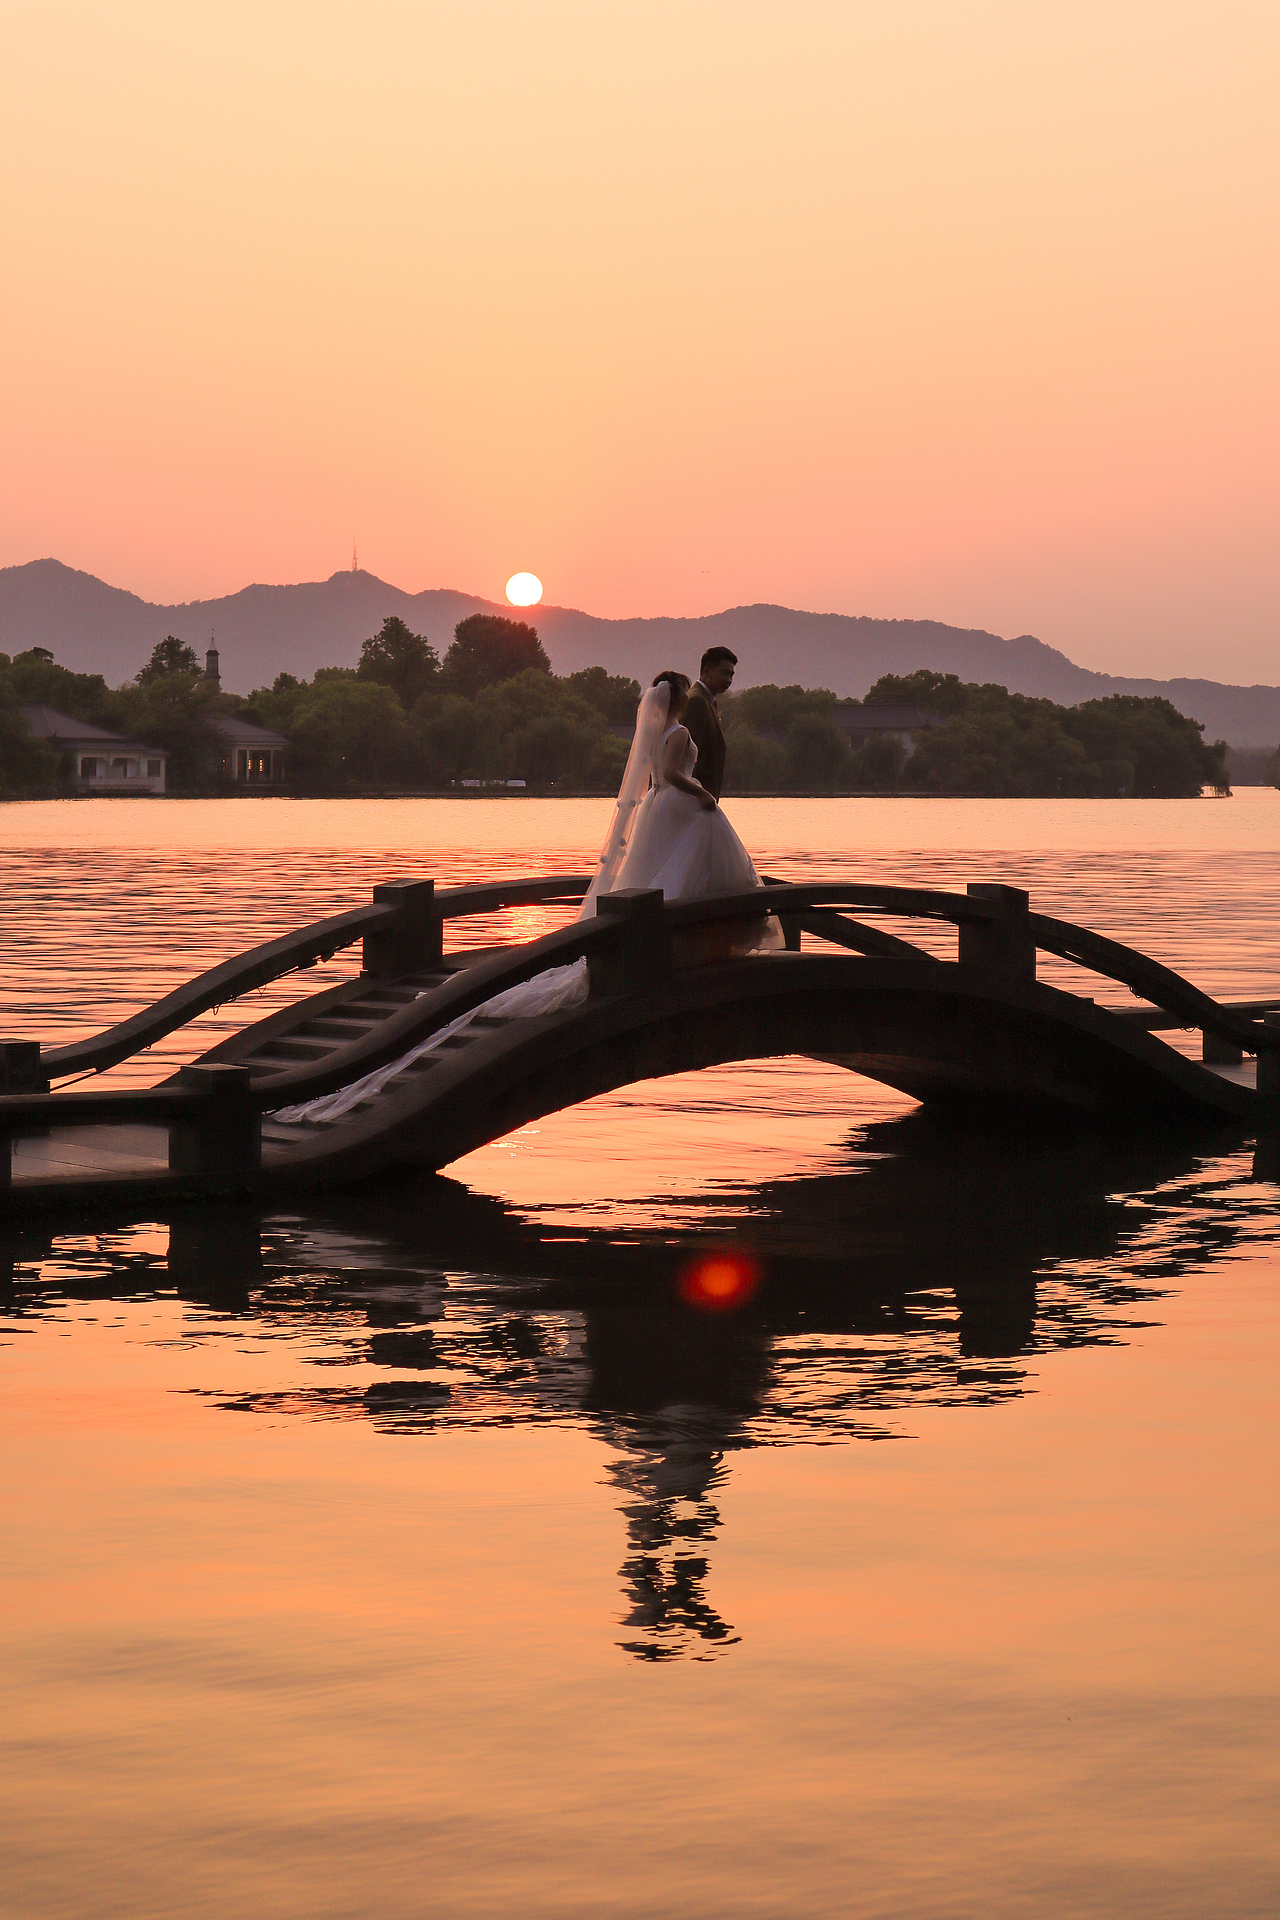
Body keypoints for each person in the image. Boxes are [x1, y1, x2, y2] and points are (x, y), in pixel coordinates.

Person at [681, 646, 737, 801]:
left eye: (732, 675)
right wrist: (699, 795)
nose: (729, 680)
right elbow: (687, 756)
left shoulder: (708, 700)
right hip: (696, 800)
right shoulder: (697, 701)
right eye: (725, 673)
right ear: (707, 671)